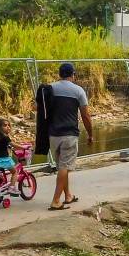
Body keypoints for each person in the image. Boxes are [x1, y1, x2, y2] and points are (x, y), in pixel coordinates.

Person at [48, 62, 93, 211]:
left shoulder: (50, 88)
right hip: (69, 134)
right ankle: (55, 200)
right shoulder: (78, 91)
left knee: (62, 165)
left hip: (53, 135)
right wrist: (90, 134)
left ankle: (68, 195)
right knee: (65, 166)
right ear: (73, 74)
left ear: (60, 74)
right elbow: (85, 115)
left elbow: (39, 108)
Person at [0, 118, 20, 196]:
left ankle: (0, 187)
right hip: (4, 159)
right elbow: (12, 144)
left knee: (1, 176)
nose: (8, 127)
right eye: (5, 125)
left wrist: (9, 147)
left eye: (8, 125)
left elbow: (2, 145)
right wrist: (23, 147)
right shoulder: (5, 137)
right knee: (14, 172)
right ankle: (11, 188)